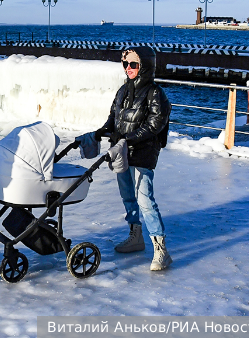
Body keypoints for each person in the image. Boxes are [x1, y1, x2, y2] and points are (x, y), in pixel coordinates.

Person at [94, 46, 172, 271]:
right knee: (128, 196)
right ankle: (136, 236)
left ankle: (161, 250)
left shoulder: (155, 93)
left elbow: (155, 124)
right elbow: (113, 118)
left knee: (145, 199)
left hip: (143, 154)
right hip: (122, 153)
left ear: (145, 66)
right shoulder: (122, 91)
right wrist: (100, 132)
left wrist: (129, 139)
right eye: (126, 64)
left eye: (134, 64)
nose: (129, 68)